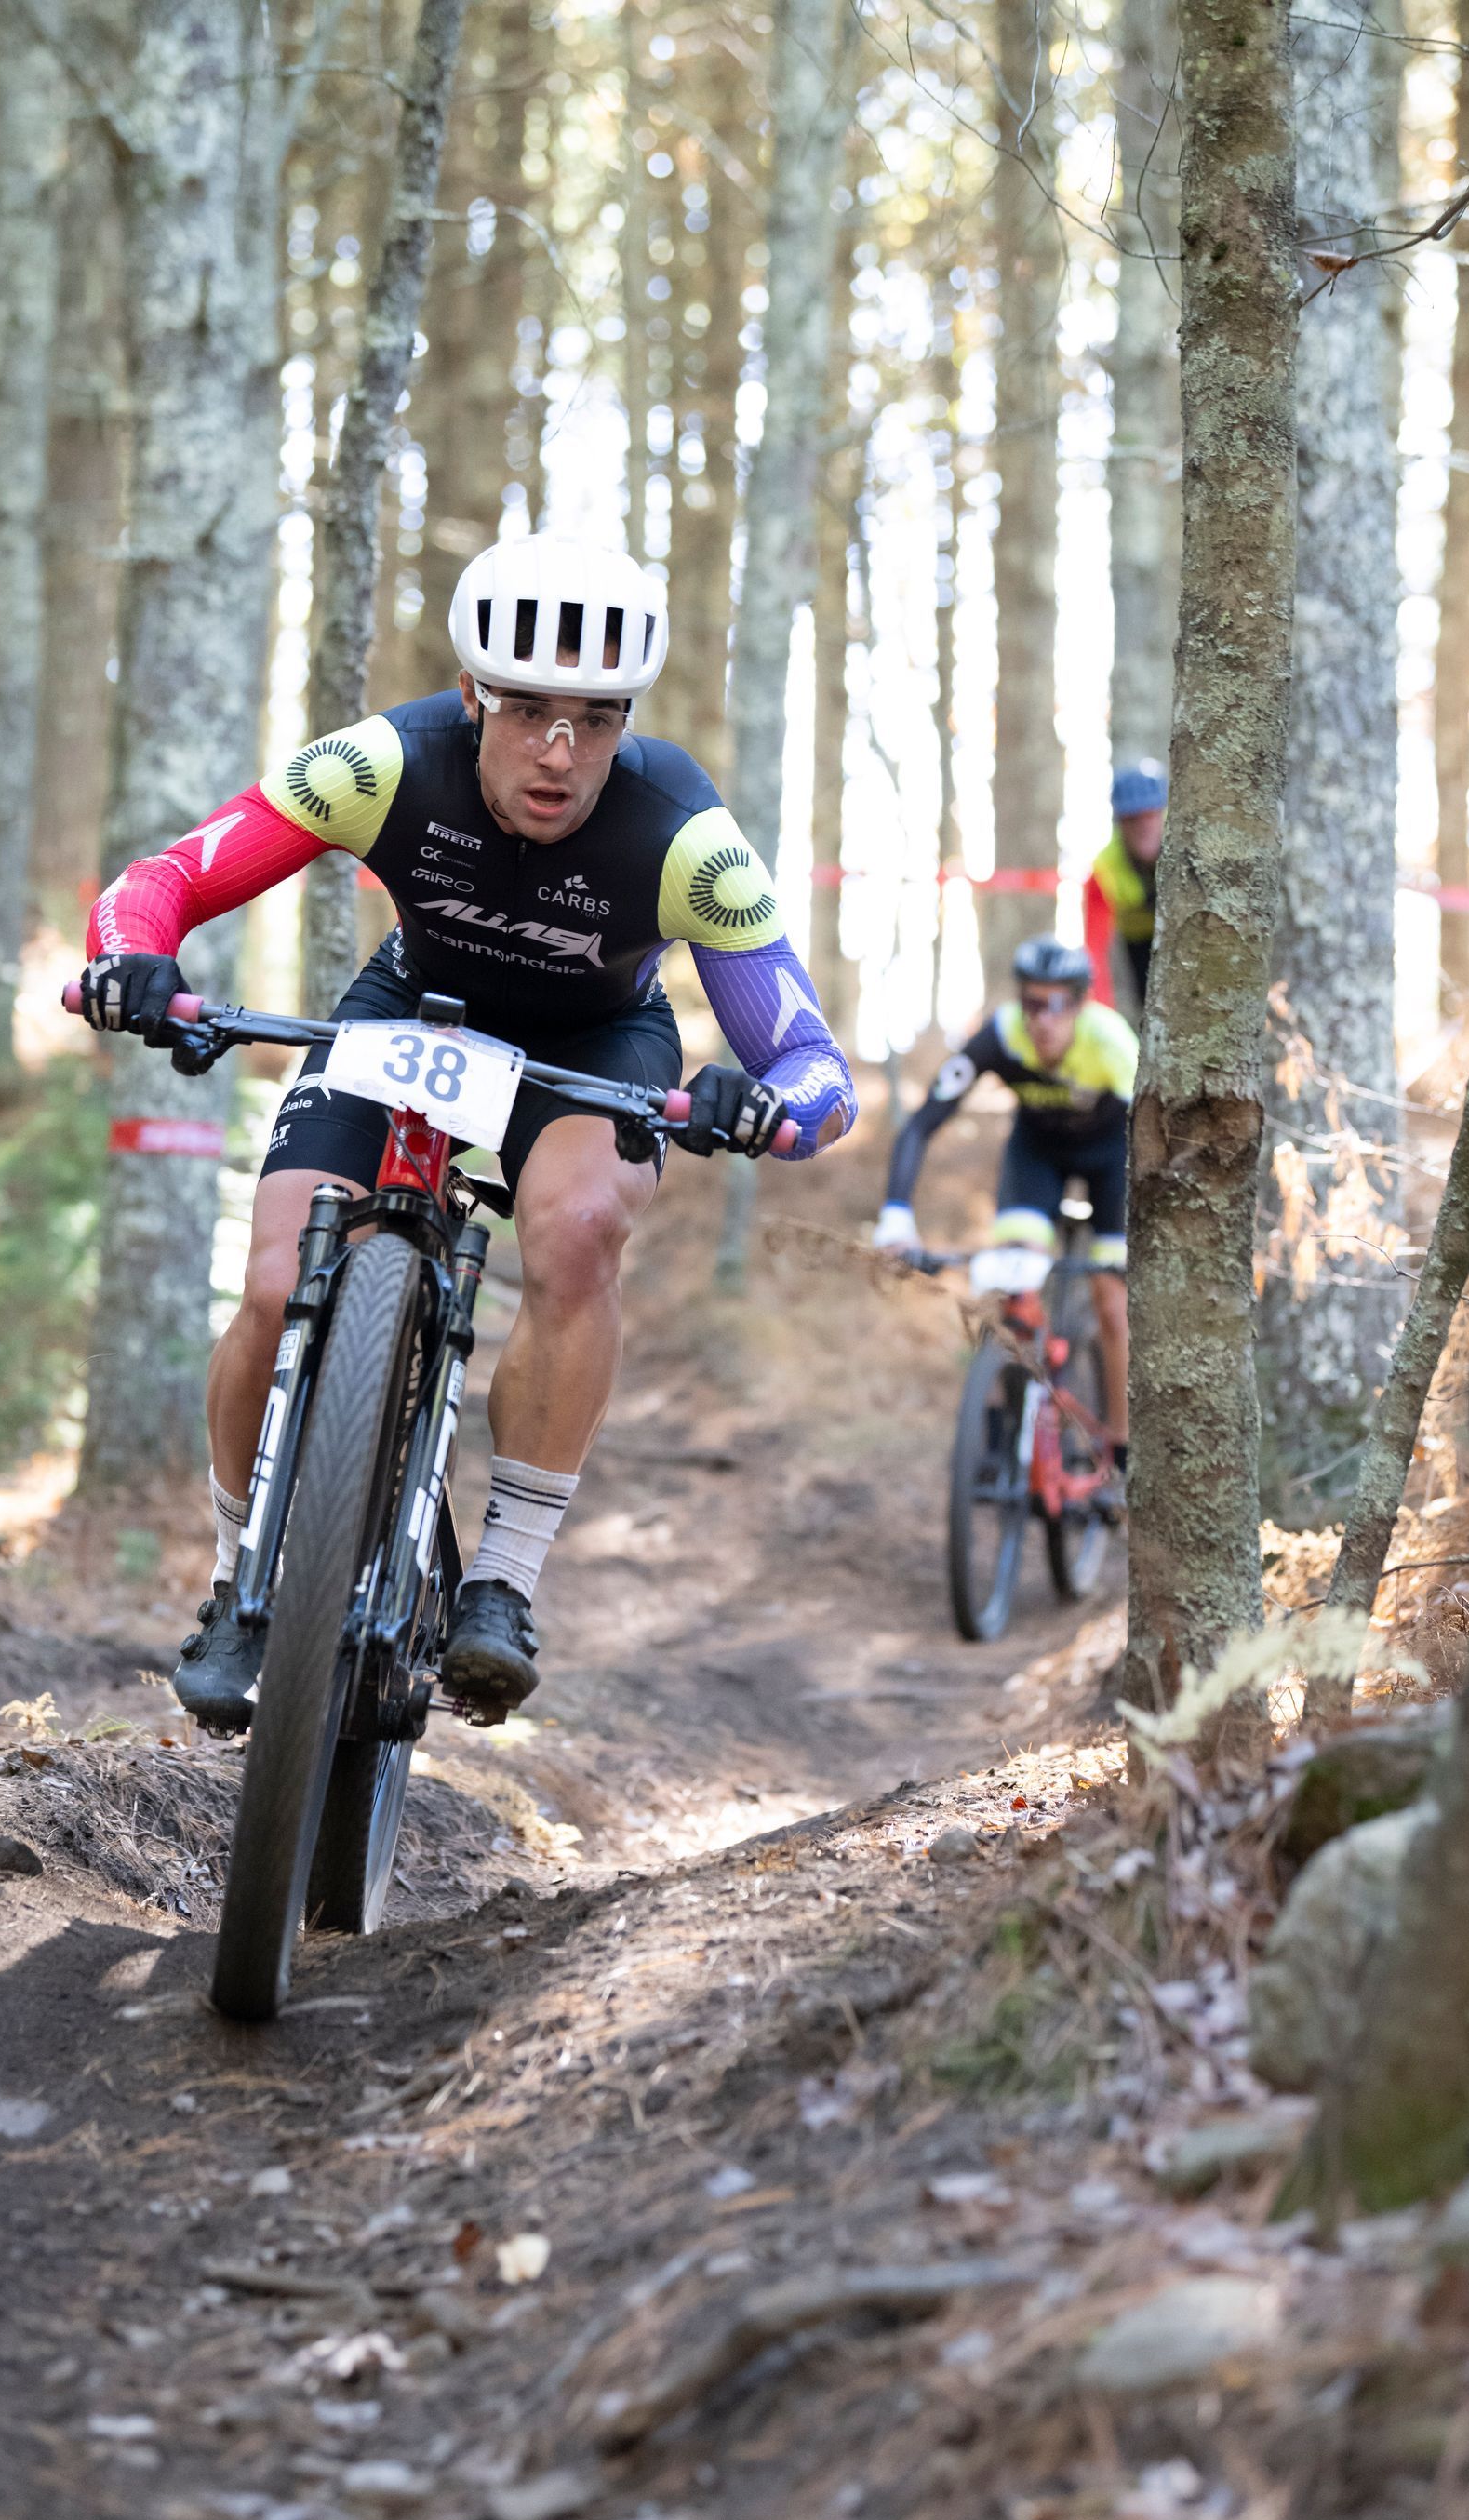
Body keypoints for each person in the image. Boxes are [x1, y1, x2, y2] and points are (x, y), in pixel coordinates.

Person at [81, 535, 857, 1729]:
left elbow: (815, 1065)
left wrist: (769, 1107)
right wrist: (132, 960)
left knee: (578, 1226)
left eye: (595, 722)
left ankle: (503, 1581)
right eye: (529, 711)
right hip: (411, 1002)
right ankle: (241, 1585)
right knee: (276, 1273)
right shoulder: (383, 763)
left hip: (597, 1041)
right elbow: (167, 877)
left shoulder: (683, 831)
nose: (560, 753)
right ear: (469, 698)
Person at [872, 936, 1133, 1466]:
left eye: (1057, 1004)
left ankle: (1121, 1446)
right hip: (1037, 1155)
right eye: (1032, 1002)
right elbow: (923, 1123)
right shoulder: (1002, 1036)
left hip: (1114, 1159)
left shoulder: (1110, 1042)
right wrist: (895, 1215)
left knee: (1111, 1301)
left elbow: (1156, 1135)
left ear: (1081, 1003)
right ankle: (1012, 1420)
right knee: (1014, 1287)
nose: (1042, 1019)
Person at [1084, 761, 1165, 1010]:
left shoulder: (1189, 843)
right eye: (1132, 818)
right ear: (1120, 822)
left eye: (1149, 815)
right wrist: (1100, 1010)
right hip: (1139, 945)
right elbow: (1094, 949)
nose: (1143, 826)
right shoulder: (1105, 869)